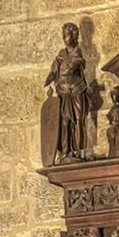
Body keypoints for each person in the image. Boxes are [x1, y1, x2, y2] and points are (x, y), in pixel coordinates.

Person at [45, 22, 90, 163]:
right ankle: (65, 151)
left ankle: (78, 151)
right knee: (64, 122)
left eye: (68, 35)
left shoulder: (77, 53)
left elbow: (71, 67)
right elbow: (54, 70)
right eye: (64, 35)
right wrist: (49, 79)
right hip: (63, 91)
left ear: (75, 36)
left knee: (77, 120)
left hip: (76, 89)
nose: (65, 38)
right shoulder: (61, 54)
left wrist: (63, 69)